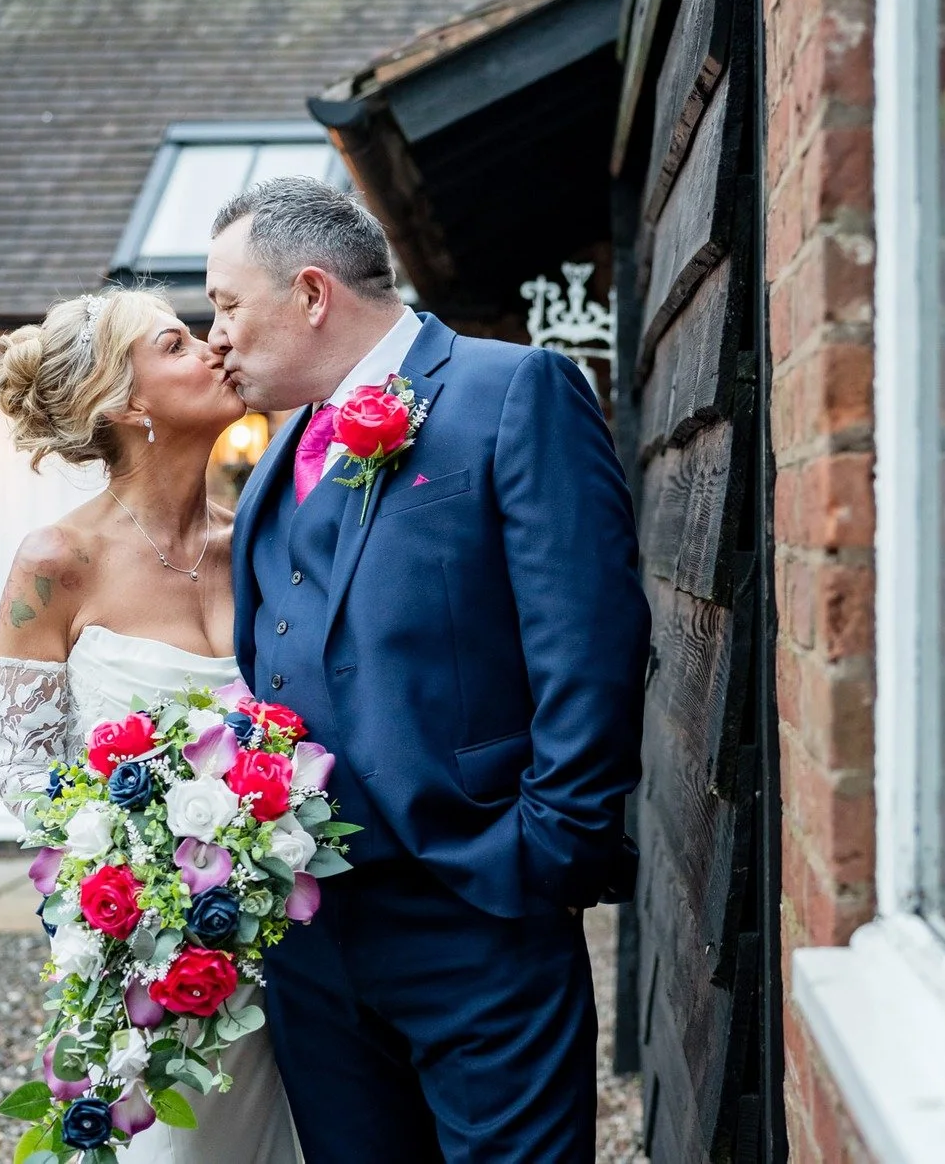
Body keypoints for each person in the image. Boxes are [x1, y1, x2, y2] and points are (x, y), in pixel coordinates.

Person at [204, 177, 647, 1163]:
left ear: (311, 293)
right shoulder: (280, 451)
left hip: (477, 910)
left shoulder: (512, 391)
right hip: (313, 939)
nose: (215, 338)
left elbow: (590, 644)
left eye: (227, 305)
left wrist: (540, 858)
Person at [0, 287, 303, 1162]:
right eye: (177, 344)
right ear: (128, 403)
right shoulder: (59, 562)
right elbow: (21, 763)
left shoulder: (262, 544)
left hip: (284, 936)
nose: (212, 348)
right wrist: (130, 872)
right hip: (147, 947)